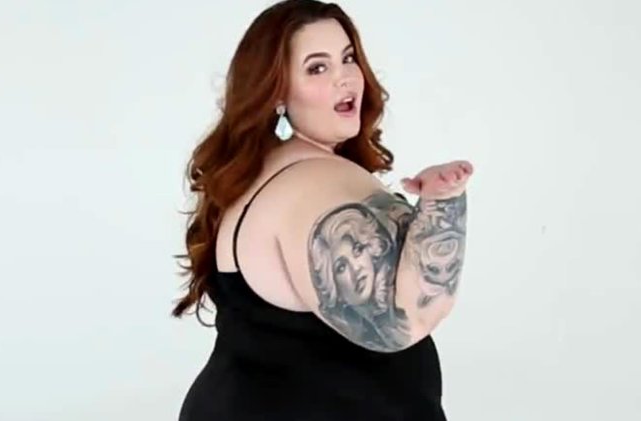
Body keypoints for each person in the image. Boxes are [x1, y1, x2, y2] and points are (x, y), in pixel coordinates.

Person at [172, 1, 473, 419]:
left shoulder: (259, 173)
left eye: (348, 58)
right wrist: (444, 201)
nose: (344, 77)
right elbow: (404, 322)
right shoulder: (316, 182)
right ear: (277, 92)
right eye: (317, 68)